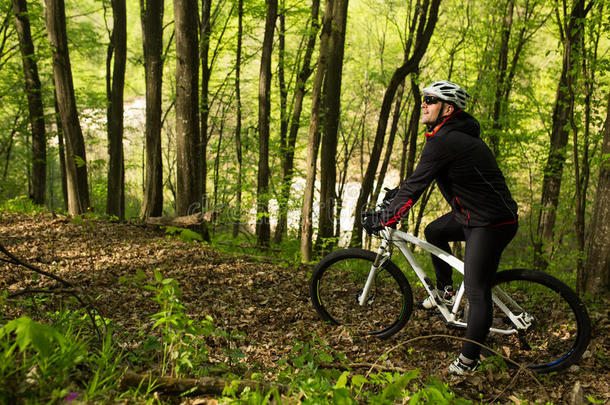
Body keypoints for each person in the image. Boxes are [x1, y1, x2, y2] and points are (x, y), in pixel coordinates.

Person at [362, 80, 518, 375]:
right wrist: (394, 197)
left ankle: (468, 362)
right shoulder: (448, 135)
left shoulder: (446, 140)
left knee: (476, 291)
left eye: (430, 100)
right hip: (471, 215)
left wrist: (386, 219)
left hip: (491, 222)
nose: (424, 104)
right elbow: (418, 178)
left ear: (447, 108)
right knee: (434, 231)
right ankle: (445, 291)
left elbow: (418, 186)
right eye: (424, 98)